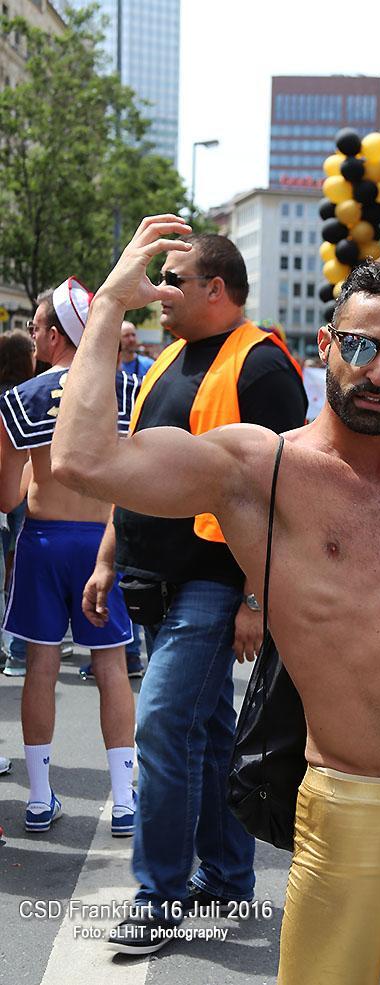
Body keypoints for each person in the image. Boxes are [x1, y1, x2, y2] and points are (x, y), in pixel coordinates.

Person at [53, 215, 380, 982]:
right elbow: (83, 459)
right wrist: (107, 311)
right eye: (359, 346)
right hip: (354, 813)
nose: (376, 371)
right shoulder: (259, 470)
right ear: (326, 347)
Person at [74, 231, 307, 953]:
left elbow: (285, 496)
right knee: (204, 734)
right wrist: (108, 559)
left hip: (214, 581)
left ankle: (160, 896)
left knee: (162, 723)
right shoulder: (168, 360)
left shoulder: (263, 365)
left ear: (217, 286)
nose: (161, 291)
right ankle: (230, 878)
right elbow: (133, 467)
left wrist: (255, 600)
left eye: (173, 279)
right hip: (152, 576)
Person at [0, 279, 139, 836]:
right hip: (104, 541)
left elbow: (7, 496)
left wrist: (37, 470)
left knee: (40, 664)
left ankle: (38, 797)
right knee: (111, 667)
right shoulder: (127, 388)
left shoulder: (19, 397)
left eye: (36, 328)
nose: (32, 336)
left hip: (43, 541)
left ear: (56, 336)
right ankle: (126, 800)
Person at [0, 329, 36, 676]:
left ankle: (14, 649)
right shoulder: (26, 396)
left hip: (10, 492)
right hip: (22, 488)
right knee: (19, 563)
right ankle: (17, 646)